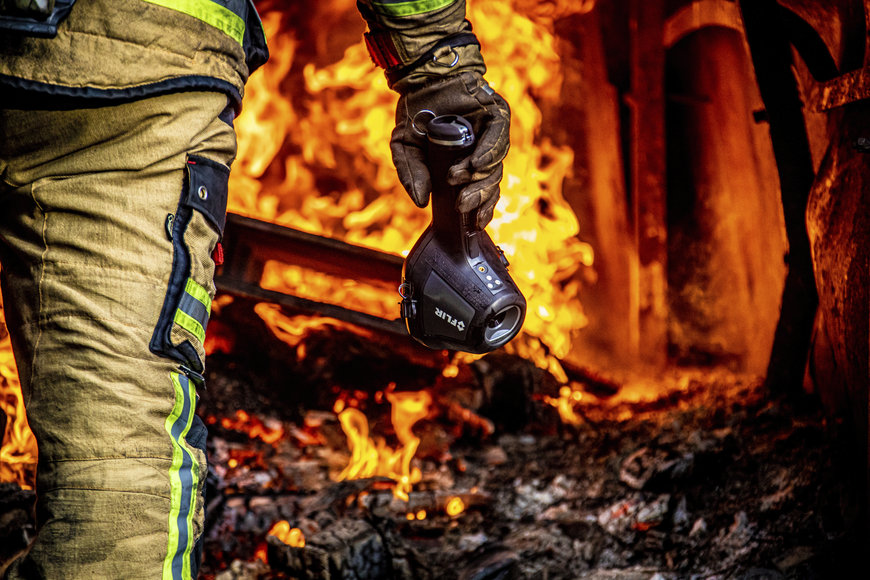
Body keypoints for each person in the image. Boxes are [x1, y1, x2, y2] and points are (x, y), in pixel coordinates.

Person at [0, 0, 509, 577]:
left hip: (130, 81)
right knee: (118, 496)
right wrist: (437, 65)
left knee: (117, 502)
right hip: (132, 77)